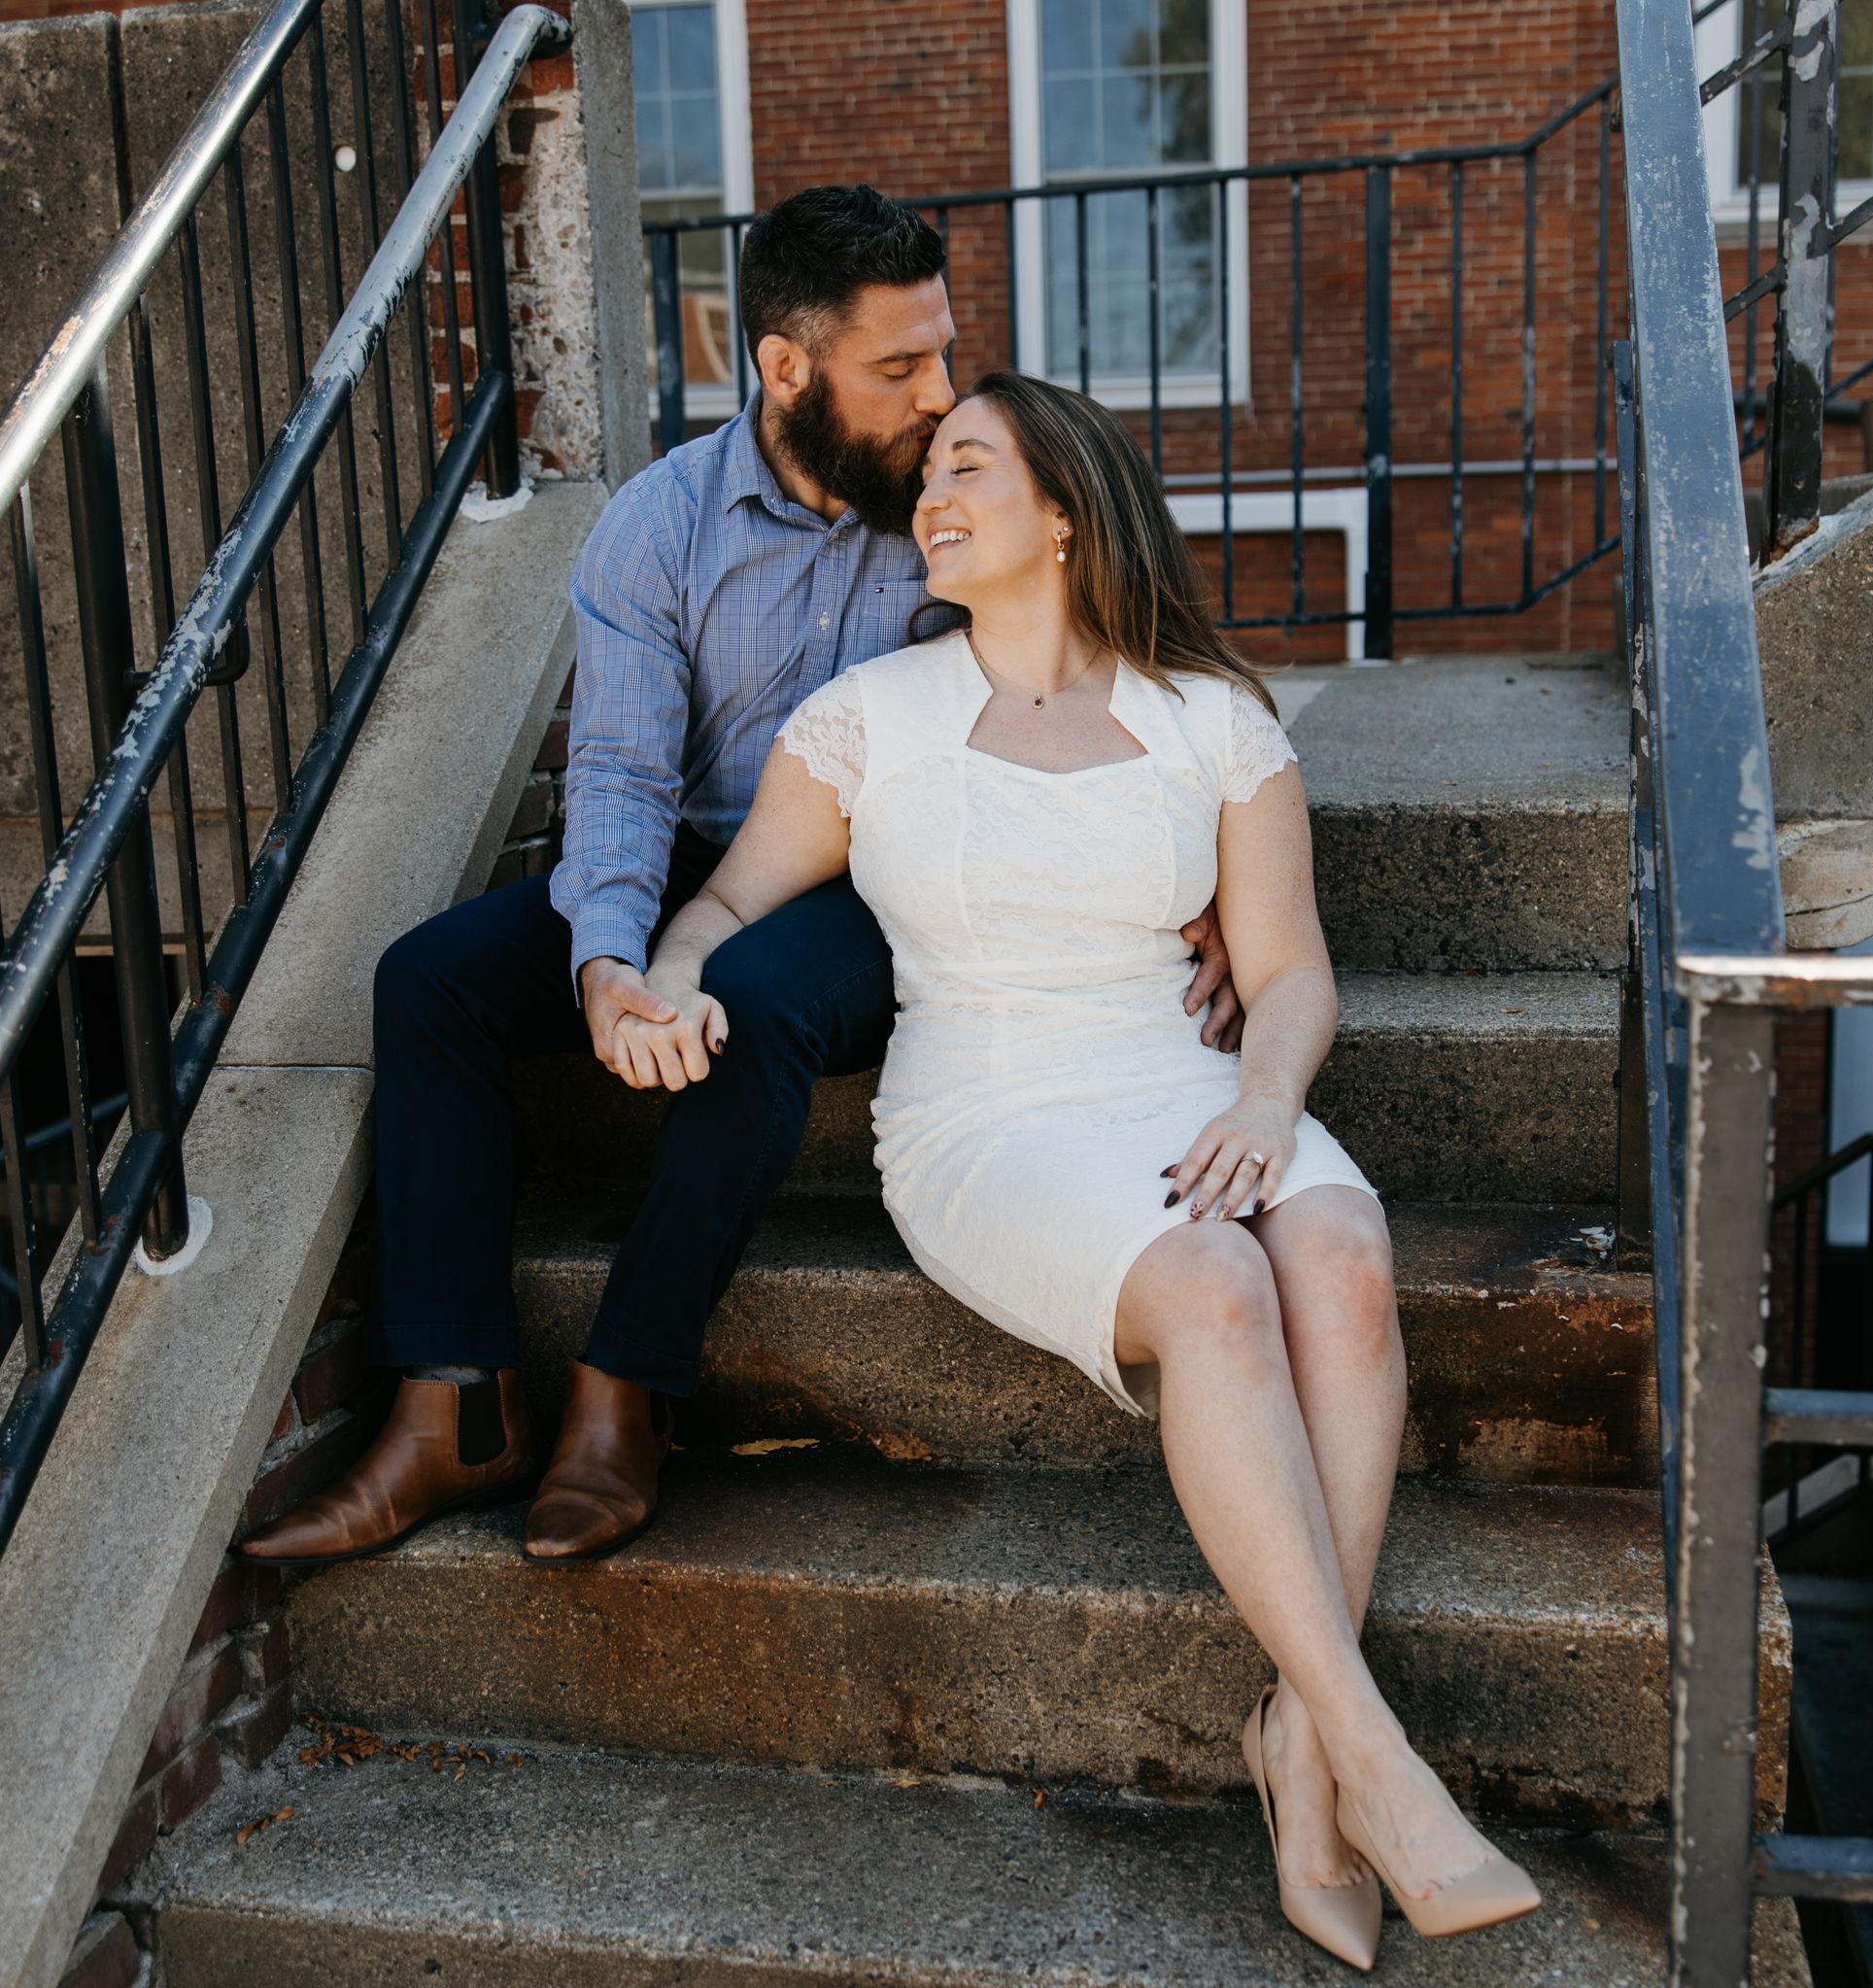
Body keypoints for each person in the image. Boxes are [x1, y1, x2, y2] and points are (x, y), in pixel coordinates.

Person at [615, 371, 1543, 1965]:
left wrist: (1264, 1095)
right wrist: (668, 973)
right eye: (930, 477)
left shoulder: (1214, 721)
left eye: (968, 467)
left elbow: (1295, 968)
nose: (933, 497)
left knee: (1340, 1257)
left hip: (1185, 1078)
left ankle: (1301, 1742)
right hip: (987, 1110)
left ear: (1064, 516)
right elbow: (719, 906)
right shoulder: (866, 723)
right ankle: (1373, 1755)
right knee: (1215, 1283)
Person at [238, 186, 1243, 1569]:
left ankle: (626, 1390)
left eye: (941, 353)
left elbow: (1127, 661)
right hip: (702, 856)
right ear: (785, 369)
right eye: (898, 369)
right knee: (431, 983)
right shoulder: (657, 529)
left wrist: (1204, 872)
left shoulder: (955, 513)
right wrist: (606, 962)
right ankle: (453, 1404)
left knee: (755, 1001)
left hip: (895, 881)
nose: (937, 397)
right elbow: (623, 775)